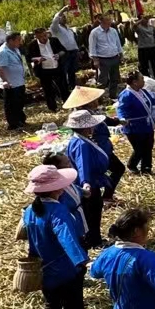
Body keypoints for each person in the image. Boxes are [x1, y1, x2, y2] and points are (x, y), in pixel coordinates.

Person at [21, 163, 89, 309]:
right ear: (56, 189)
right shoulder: (58, 210)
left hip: (45, 268)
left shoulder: (30, 210)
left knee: (51, 306)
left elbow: (31, 240)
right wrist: (81, 261)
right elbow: (66, 238)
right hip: (66, 270)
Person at [65, 107, 112, 250]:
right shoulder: (82, 144)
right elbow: (82, 164)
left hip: (88, 181)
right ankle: (94, 240)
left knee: (90, 212)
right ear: (86, 128)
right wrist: (86, 183)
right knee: (93, 212)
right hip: (90, 183)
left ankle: (92, 238)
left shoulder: (77, 140)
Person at [115, 71, 155, 174]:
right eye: (142, 79)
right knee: (139, 149)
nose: (144, 81)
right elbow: (121, 109)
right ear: (135, 82)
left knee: (148, 146)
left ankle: (146, 168)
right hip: (134, 127)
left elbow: (153, 101)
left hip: (147, 124)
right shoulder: (126, 95)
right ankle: (132, 164)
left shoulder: (143, 92)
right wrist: (122, 118)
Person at [0, 29, 29, 130]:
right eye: (18, 40)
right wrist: (5, 81)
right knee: (11, 104)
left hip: (19, 81)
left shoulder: (15, 49)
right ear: (10, 40)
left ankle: (20, 120)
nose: (20, 42)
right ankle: (13, 124)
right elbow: (0, 68)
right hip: (11, 83)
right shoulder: (3, 52)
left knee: (19, 102)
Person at [27, 27, 65, 111]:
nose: (44, 38)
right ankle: (53, 107)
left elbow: (63, 50)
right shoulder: (32, 45)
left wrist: (58, 55)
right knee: (48, 89)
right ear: (36, 37)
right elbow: (28, 58)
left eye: (45, 35)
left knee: (63, 86)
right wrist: (37, 59)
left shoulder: (54, 40)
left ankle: (67, 103)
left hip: (57, 67)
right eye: (41, 36)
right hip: (43, 70)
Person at [88, 14, 123, 93]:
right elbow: (92, 47)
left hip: (114, 57)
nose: (110, 22)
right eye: (107, 20)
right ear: (102, 21)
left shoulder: (113, 31)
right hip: (102, 59)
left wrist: (121, 54)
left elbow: (118, 43)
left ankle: (112, 94)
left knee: (114, 78)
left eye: (110, 20)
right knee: (103, 79)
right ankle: (100, 95)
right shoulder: (95, 32)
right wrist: (95, 60)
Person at [49, 7, 81, 94]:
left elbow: (72, 41)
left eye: (65, 17)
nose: (64, 18)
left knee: (72, 72)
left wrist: (77, 50)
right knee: (63, 73)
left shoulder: (68, 29)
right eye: (62, 17)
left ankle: (73, 89)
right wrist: (62, 10)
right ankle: (65, 92)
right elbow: (55, 21)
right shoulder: (56, 28)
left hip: (73, 52)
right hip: (64, 54)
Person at [132, 15, 155, 80]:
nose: (146, 20)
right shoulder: (139, 28)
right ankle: (146, 78)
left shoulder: (151, 27)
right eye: (144, 19)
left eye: (146, 19)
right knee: (143, 65)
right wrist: (141, 20)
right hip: (143, 49)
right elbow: (133, 26)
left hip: (152, 47)